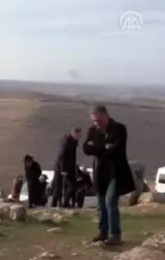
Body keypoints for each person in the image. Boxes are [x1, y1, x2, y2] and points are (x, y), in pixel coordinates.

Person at [83, 105, 135, 246]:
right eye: (94, 121)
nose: (97, 123)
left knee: (110, 201)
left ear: (106, 115)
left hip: (115, 172)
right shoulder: (92, 131)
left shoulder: (119, 129)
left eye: (99, 120)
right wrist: (103, 147)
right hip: (100, 172)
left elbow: (116, 150)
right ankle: (102, 233)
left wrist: (97, 148)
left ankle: (115, 234)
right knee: (101, 203)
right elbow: (86, 148)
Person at [51, 127, 82, 208]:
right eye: (79, 135)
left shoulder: (74, 141)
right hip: (61, 167)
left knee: (73, 185)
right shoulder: (66, 141)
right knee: (58, 188)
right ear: (74, 133)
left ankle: (65, 203)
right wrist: (63, 169)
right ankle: (53, 205)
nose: (80, 137)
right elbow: (62, 155)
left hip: (70, 167)